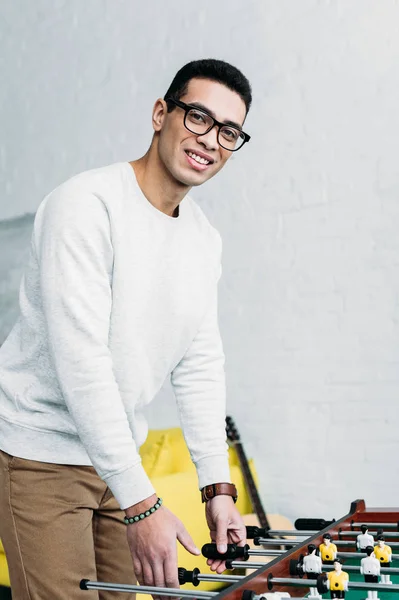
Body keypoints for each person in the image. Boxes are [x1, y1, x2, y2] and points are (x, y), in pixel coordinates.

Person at [0, 58, 253, 600]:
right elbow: (81, 364)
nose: (210, 140)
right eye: (198, 118)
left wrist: (218, 488)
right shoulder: (85, 206)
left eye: (229, 131)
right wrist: (144, 503)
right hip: (41, 457)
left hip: (116, 460)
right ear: (161, 113)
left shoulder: (204, 240)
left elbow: (200, 362)